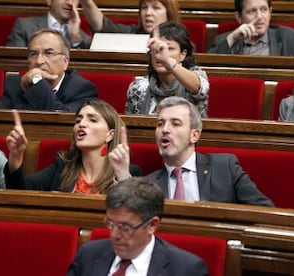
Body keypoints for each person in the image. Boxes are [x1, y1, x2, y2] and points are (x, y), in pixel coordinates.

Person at [146, 96, 274, 206]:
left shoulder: (224, 167)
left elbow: (263, 212)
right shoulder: (148, 184)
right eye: (160, 124)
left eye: (175, 123)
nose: (165, 129)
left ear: (194, 135)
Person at [67, 177, 208, 275]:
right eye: (110, 224)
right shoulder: (88, 255)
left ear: (152, 225)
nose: (114, 235)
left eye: (125, 228)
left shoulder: (185, 269)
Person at [5, 99, 142, 193]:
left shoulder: (129, 172)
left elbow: (133, 213)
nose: (81, 124)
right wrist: (16, 157)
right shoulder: (62, 167)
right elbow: (20, 192)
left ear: (110, 135)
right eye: (78, 120)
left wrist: (122, 175)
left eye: (92, 120)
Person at [0, 29, 98, 111]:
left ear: (65, 62)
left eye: (49, 53)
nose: (39, 61)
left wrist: (37, 81)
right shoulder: (14, 85)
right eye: (33, 54)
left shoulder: (82, 89)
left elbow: (60, 119)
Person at [126, 22, 209, 117]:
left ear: (183, 54)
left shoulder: (196, 76)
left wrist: (168, 61)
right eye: (157, 48)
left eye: (169, 48)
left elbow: (199, 89)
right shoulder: (138, 88)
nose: (162, 53)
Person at [208, 0, 294, 56]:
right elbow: (207, 70)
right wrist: (232, 38)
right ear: (239, 17)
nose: (259, 16)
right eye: (251, 11)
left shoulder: (289, 37)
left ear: (270, 12)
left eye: (264, 9)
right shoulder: (225, 40)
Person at [6, 0, 91, 49]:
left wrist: (75, 39)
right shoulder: (24, 26)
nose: (69, 2)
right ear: (49, 1)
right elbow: (14, 64)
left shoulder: (83, 38)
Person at [79, 0, 180, 34]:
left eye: (156, 8)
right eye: (144, 7)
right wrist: (87, 2)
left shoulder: (180, 42)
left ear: (169, 13)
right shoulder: (133, 33)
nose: (148, 13)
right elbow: (102, 26)